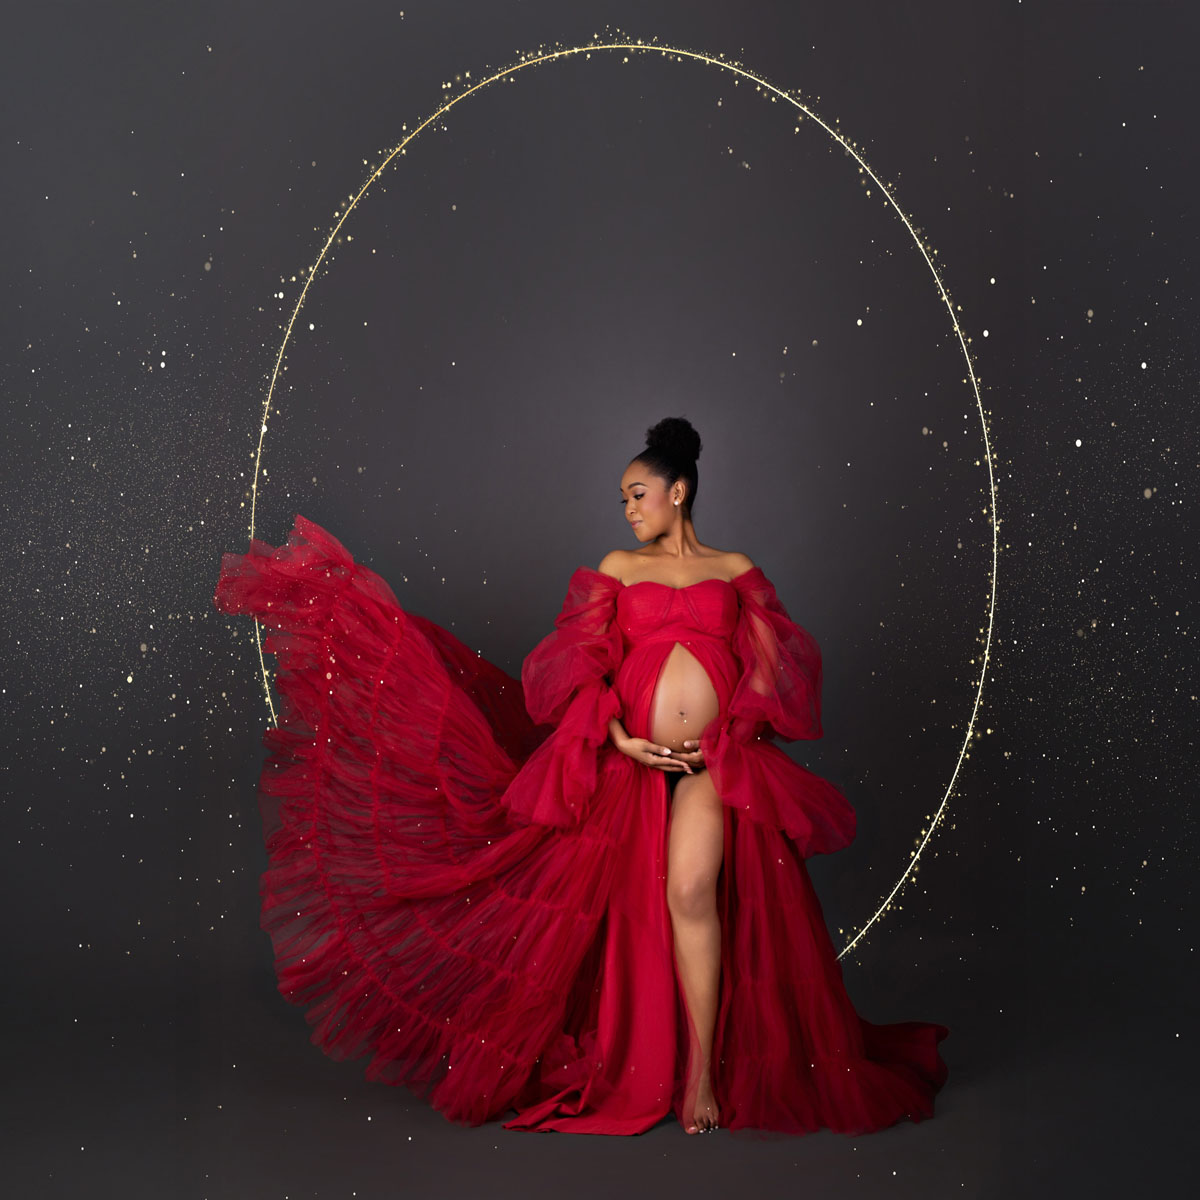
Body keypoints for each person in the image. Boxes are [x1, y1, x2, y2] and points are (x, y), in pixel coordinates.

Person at [213, 415, 949, 1137]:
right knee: (596, 899)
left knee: (691, 891)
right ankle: (651, 1057)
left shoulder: (736, 571)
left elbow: (772, 667)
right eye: (623, 499)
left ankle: (701, 1071)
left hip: (712, 763)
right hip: (630, 765)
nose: (628, 509)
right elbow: (577, 662)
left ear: (679, 492)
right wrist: (623, 739)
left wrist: (730, 737)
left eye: (639, 494)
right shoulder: (617, 568)